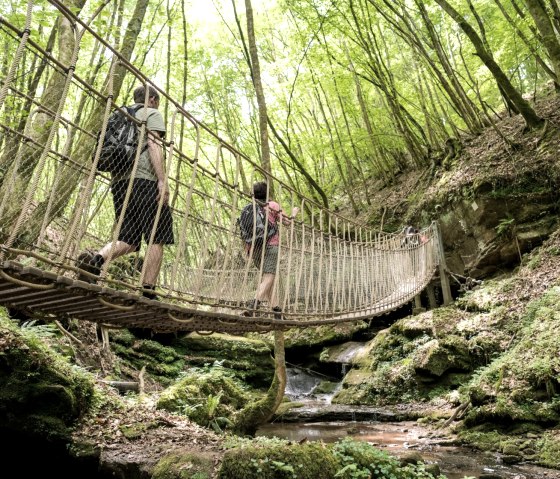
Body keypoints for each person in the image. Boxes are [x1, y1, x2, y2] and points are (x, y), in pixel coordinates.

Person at [76, 85, 173, 300]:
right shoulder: (152, 113)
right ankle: (148, 291)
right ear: (154, 100)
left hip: (119, 183)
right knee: (157, 235)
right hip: (144, 181)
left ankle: (96, 260)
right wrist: (162, 180)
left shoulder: (118, 116)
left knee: (129, 239)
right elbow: (154, 143)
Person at [243, 181, 298, 319]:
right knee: (269, 277)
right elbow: (287, 222)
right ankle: (254, 304)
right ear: (267, 193)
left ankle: (276, 311)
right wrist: (294, 213)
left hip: (253, 248)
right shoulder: (272, 205)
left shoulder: (248, 208)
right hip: (270, 245)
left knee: (267, 279)